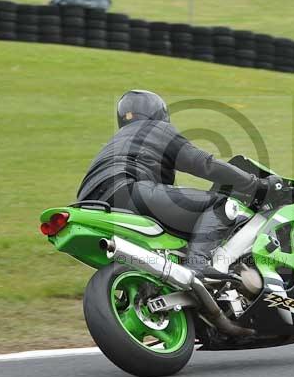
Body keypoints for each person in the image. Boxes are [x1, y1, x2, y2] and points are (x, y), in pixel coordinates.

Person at [77, 89, 280, 274]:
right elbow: (204, 164)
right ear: (158, 113)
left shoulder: (115, 141)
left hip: (90, 202)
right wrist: (257, 185)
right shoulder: (156, 129)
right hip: (128, 191)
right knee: (222, 205)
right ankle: (198, 265)